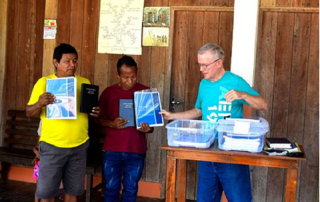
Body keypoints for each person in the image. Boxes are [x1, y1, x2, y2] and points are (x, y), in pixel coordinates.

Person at [161, 43, 267, 202]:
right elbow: (198, 111)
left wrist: (243, 95)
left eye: (205, 65)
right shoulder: (203, 84)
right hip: (207, 149)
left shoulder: (235, 81)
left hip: (231, 151)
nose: (201, 69)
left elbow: (263, 105)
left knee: (239, 199)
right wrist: (172, 116)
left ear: (218, 63)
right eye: (199, 64)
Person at [26, 43, 99, 202]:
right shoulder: (44, 83)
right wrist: (39, 103)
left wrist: (94, 112)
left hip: (79, 146)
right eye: (67, 61)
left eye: (75, 61)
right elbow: (29, 113)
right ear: (55, 62)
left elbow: (90, 114)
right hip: (52, 146)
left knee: (73, 192)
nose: (72, 65)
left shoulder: (84, 82)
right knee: (46, 194)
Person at [98, 55, 153, 202]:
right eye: (125, 77)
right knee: (110, 187)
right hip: (112, 150)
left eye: (133, 77)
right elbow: (98, 119)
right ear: (118, 75)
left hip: (136, 150)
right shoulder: (108, 93)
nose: (130, 81)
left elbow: (151, 125)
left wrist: (148, 128)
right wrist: (111, 123)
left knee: (131, 188)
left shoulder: (145, 92)